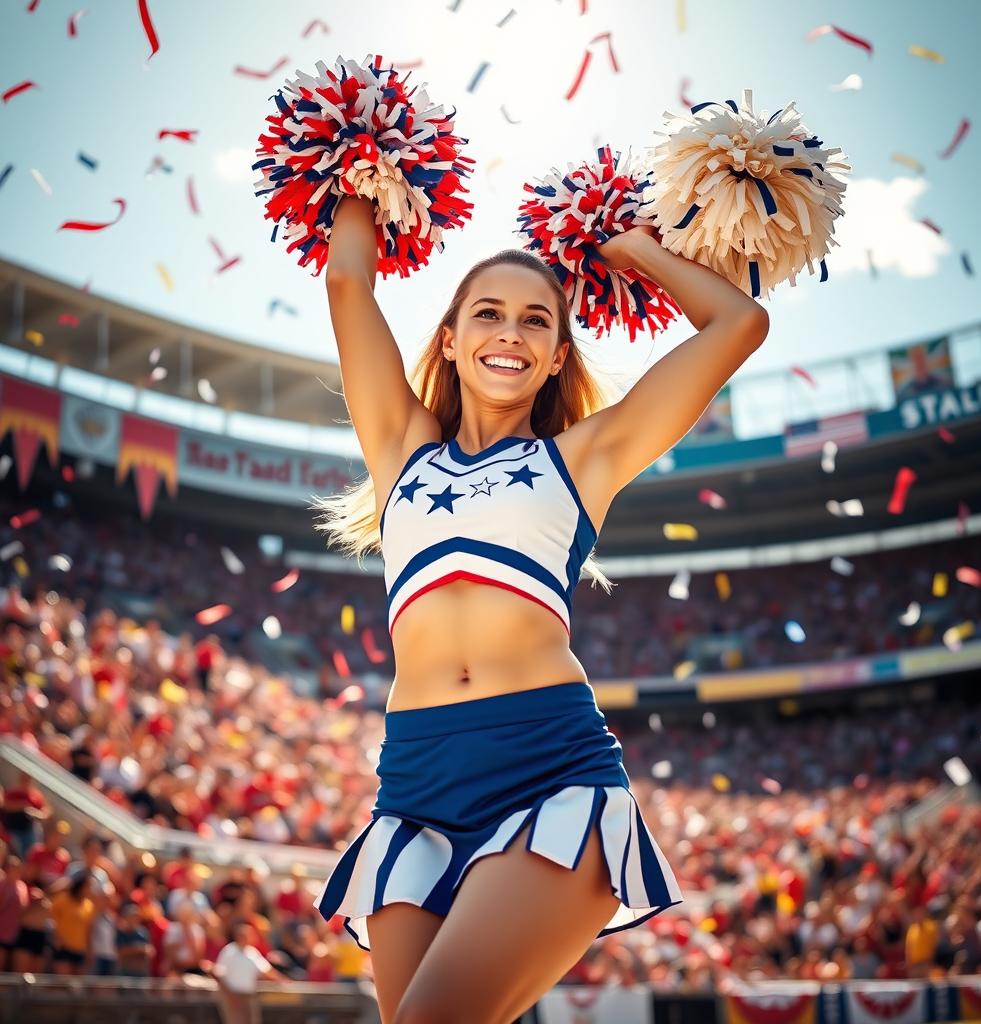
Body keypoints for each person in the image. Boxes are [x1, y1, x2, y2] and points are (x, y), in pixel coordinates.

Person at [310, 193, 769, 1023]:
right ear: (450, 341)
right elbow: (348, 282)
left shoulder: (586, 456)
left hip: (546, 774)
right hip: (413, 787)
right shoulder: (400, 447)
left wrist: (635, 252)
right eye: (487, 314)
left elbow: (736, 325)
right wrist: (359, 165)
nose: (510, 335)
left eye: (535, 322)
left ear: (559, 357)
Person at [213, 920, 287, 1024]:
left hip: (248, 996)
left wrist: (284, 981)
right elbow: (219, 974)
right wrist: (230, 995)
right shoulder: (229, 951)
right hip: (231, 997)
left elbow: (267, 971)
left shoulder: (252, 952)